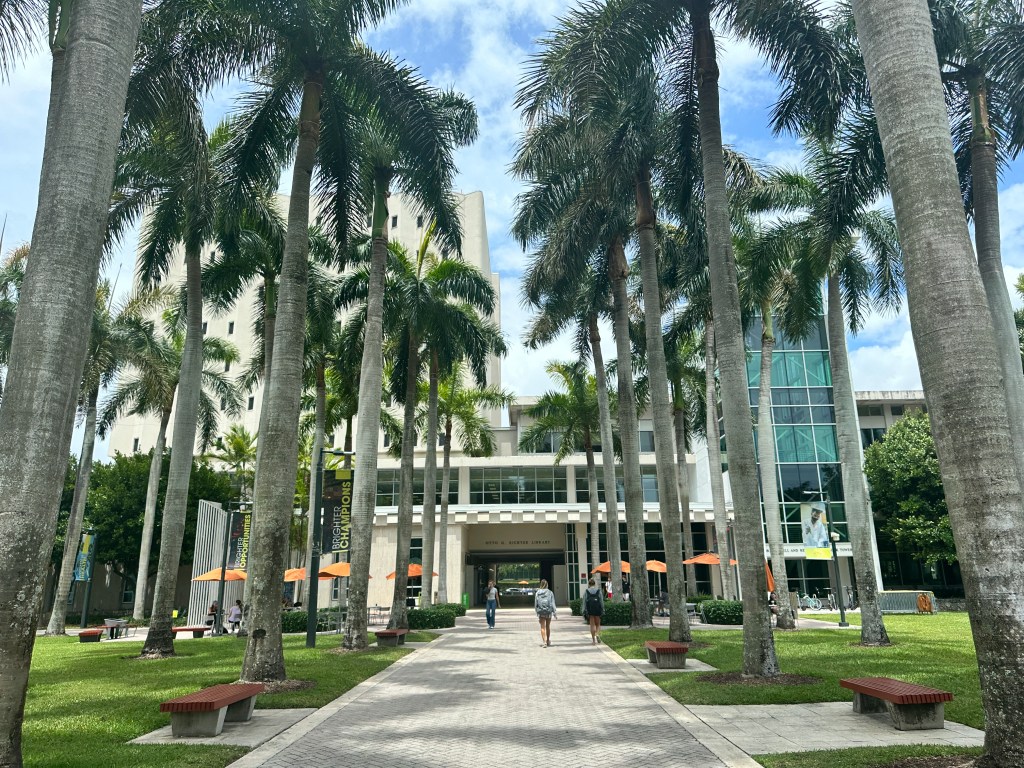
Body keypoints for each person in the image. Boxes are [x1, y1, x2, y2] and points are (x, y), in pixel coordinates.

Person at [534, 579, 556, 647]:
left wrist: (536, 611)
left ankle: (544, 642)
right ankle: (548, 640)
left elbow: (536, 603)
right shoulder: (550, 592)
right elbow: (553, 603)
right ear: (547, 585)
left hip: (541, 612)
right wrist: (554, 612)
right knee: (548, 626)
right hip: (548, 612)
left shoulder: (538, 593)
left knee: (542, 627)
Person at [582, 578, 604, 644]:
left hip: (590, 610)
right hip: (597, 609)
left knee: (592, 625)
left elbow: (584, 602)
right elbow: (601, 601)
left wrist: (583, 610)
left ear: (589, 584)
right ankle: (597, 634)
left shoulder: (586, 591)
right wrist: (603, 609)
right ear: (594, 584)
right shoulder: (598, 591)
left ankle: (593, 641)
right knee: (598, 624)